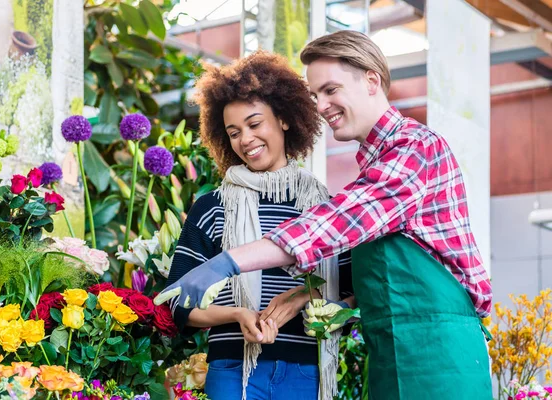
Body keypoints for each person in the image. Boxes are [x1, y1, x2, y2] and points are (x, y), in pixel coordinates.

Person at [157, 30, 494, 398]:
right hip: (393, 351)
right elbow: (372, 281)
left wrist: (228, 263)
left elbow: (334, 223)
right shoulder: (373, 167)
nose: (320, 105)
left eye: (331, 90)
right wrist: (311, 298)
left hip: (438, 353)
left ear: (371, 80)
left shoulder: (414, 150)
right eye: (315, 95)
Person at [165, 50, 354, 400]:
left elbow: (352, 292)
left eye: (254, 124)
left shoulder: (323, 210)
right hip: (233, 371)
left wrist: (303, 296)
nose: (245, 140)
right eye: (233, 132)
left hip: (304, 372)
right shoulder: (213, 207)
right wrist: (238, 314)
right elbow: (177, 304)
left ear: (283, 118)